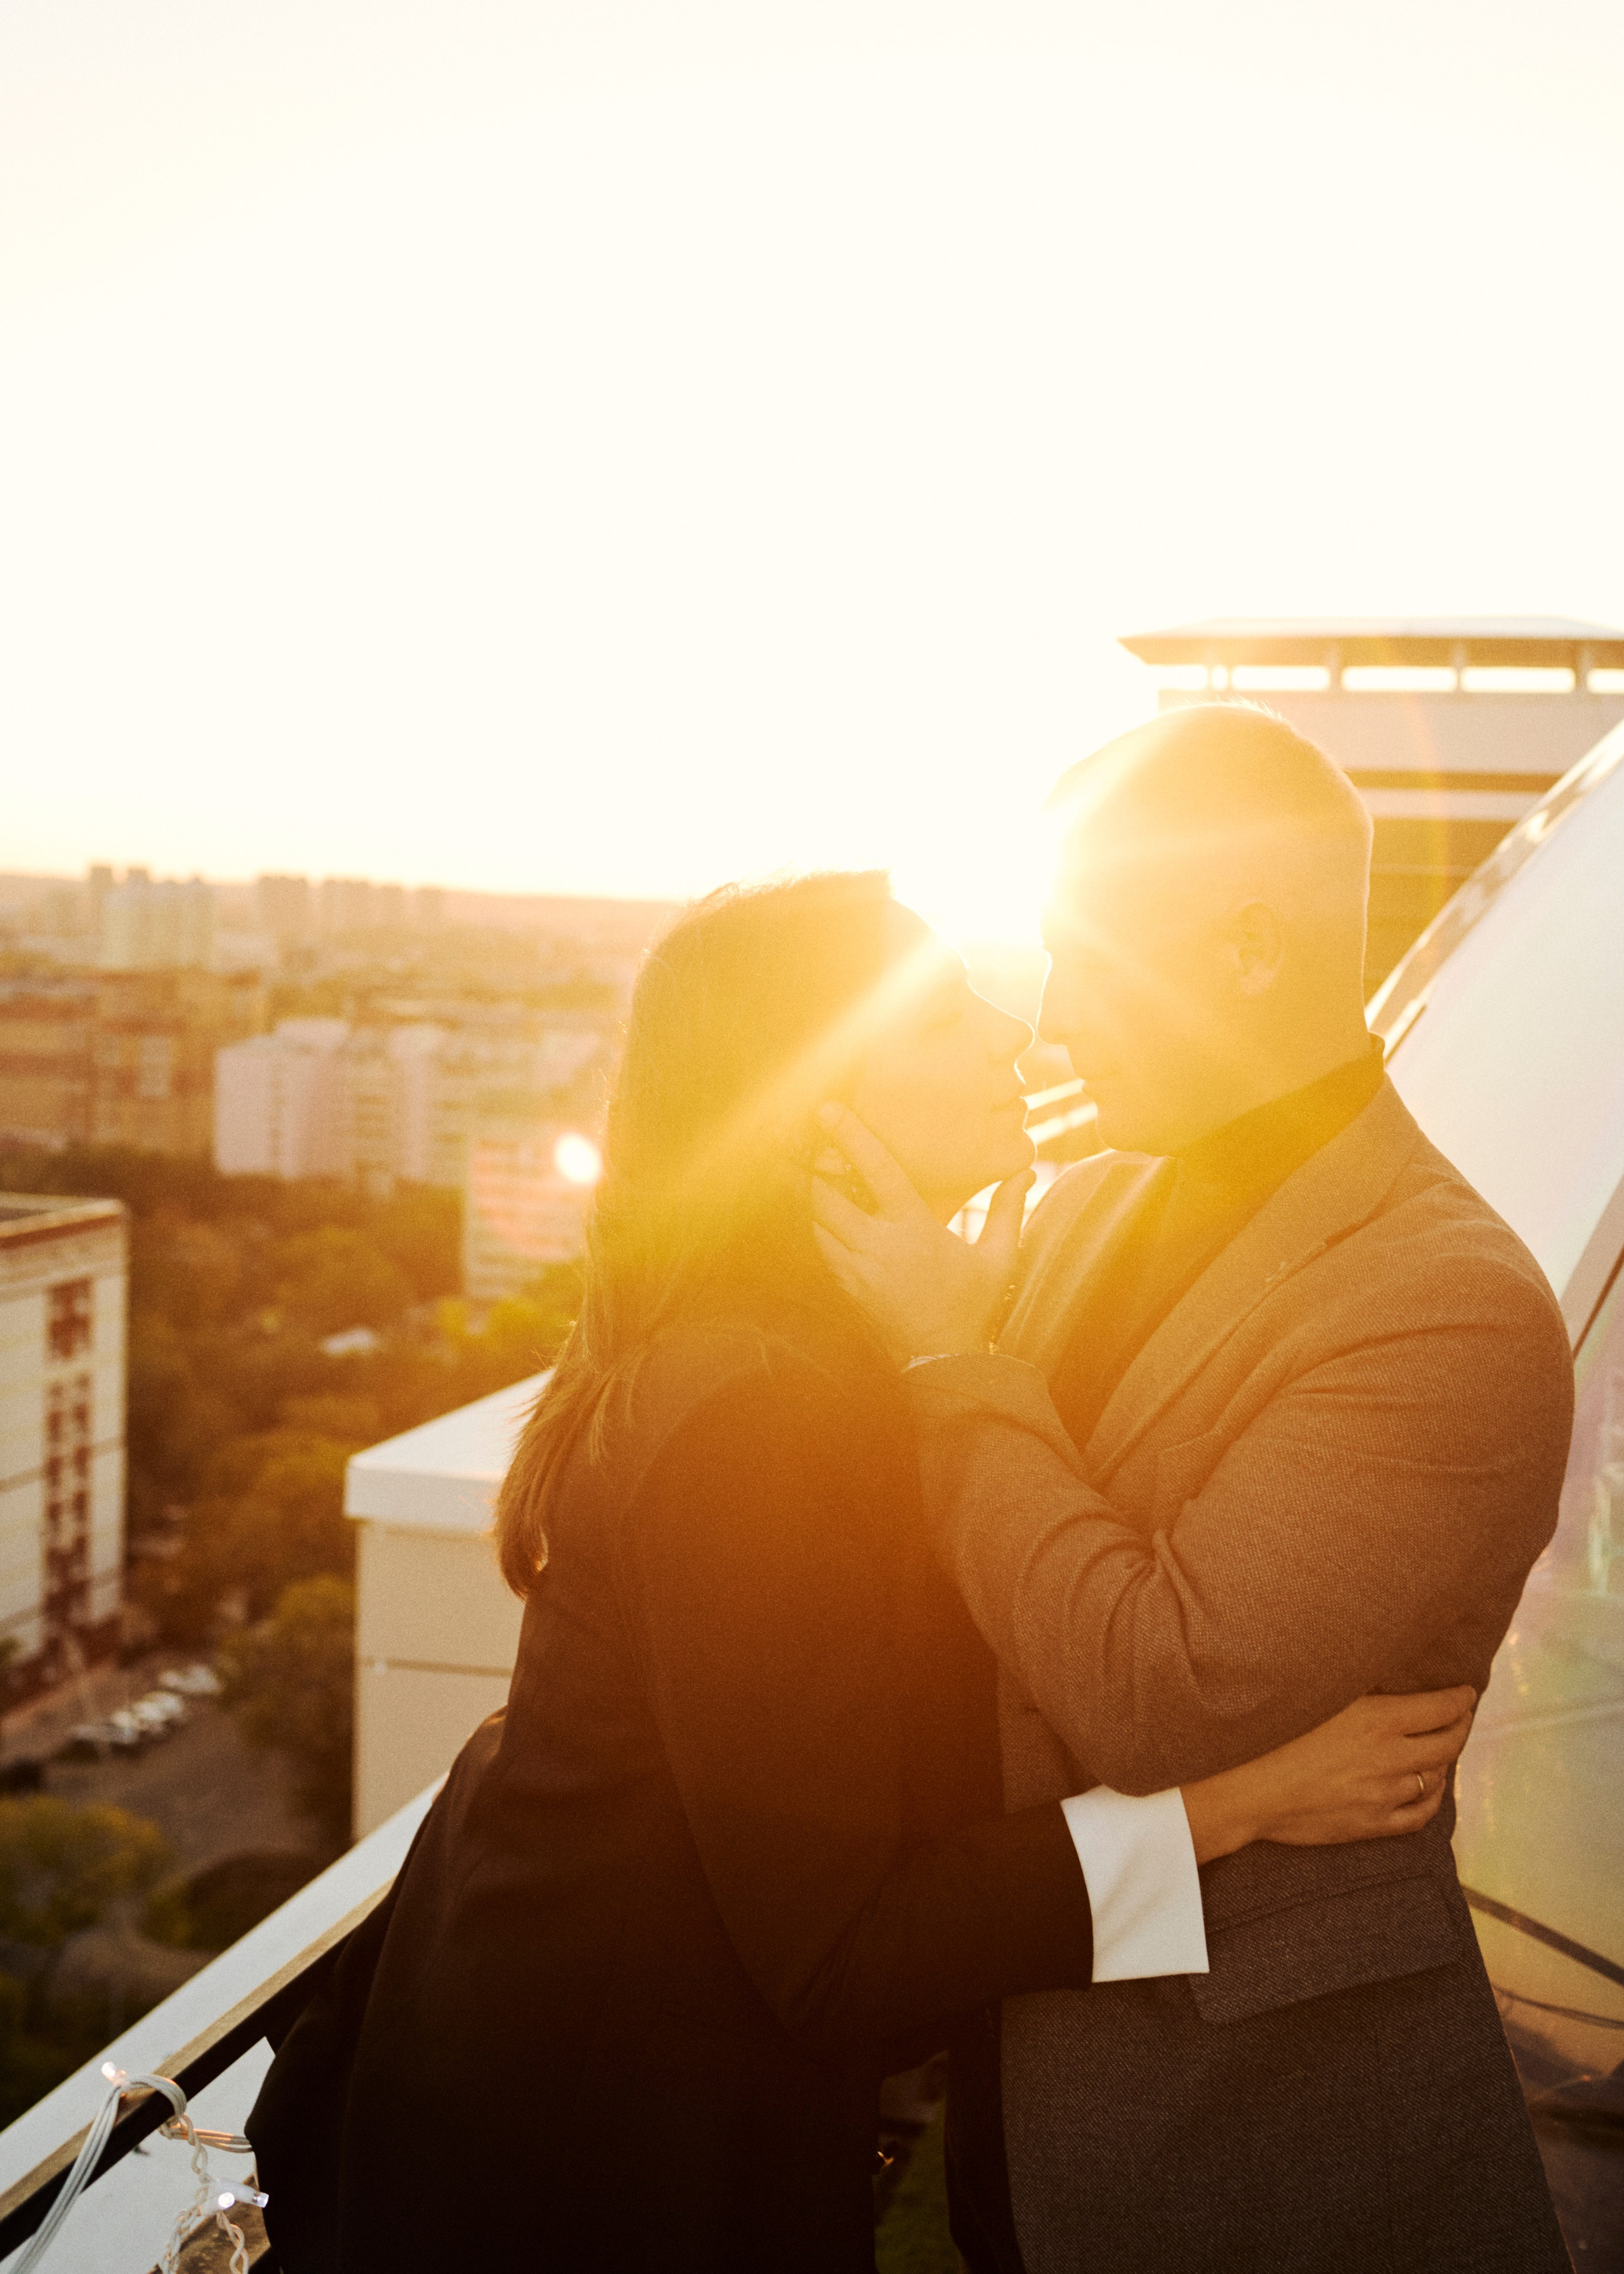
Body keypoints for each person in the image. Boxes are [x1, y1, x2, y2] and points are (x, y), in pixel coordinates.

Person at [250, 869, 1477, 2274]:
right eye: (946, 1019)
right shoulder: (759, 1409)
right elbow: (842, 1947)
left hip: (571, 2070)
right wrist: (1237, 1802)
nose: (1015, 1039)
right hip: (594, 2163)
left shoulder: (792, 1339)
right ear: (815, 1111)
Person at [812, 706, 1575, 2273]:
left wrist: (950, 1361)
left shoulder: (1442, 1302)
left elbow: (1158, 1694)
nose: (1048, 1026)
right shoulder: (1083, 1197)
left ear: (1241, 951)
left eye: (1085, 962)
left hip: (1266, 2140)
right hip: (1013, 2073)